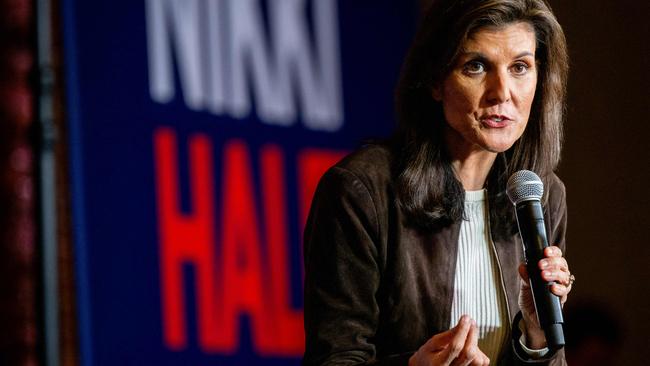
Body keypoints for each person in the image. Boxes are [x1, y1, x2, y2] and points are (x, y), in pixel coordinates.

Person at [303, 0, 574, 365]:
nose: (502, 92)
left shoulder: (539, 193)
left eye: (520, 67)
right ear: (435, 80)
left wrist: (536, 337)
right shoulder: (362, 191)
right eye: (476, 66)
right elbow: (334, 357)